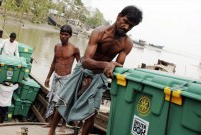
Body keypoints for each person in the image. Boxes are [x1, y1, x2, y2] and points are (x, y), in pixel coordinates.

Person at [48, 5, 143, 135]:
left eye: (131, 26)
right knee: (64, 99)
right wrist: (106, 64)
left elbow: (117, 65)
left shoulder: (127, 43)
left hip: (100, 75)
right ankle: (52, 130)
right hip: (83, 68)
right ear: (119, 16)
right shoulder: (99, 32)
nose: (126, 27)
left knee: (92, 112)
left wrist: (111, 66)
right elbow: (86, 61)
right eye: (126, 22)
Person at [43, 25, 81, 132]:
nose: (63, 36)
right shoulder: (57, 46)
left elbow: (80, 65)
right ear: (59, 34)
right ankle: (51, 123)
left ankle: (63, 124)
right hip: (56, 77)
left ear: (70, 36)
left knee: (62, 102)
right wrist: (48, 77)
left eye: (66, 35)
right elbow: (54, 62)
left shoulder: (74, 49)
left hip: (66, 79)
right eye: (62, 34)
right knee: (52, 101)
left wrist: (78, 80)